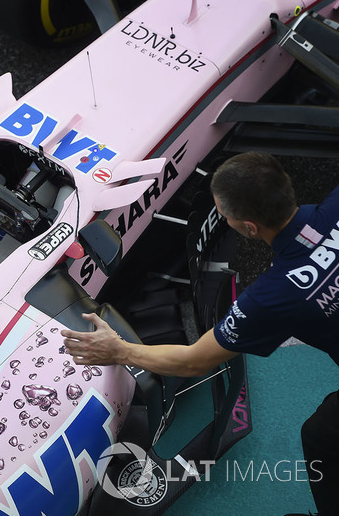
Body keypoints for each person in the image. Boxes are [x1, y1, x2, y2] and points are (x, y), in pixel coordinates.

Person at [62, 151, 339, 515]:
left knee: (320, 436)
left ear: (248, 228)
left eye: (225, 216)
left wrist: (119, 350)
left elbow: (193, 361)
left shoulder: (271, 298)